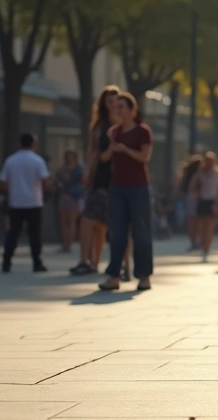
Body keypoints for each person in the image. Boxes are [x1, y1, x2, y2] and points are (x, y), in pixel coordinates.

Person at [99, 92, 154, 292]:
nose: (118, 109)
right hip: (117, 187)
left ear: (132, 109)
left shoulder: (142, 131)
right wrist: (112, 150)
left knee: (141, 232)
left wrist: (126, 150)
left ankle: (144, 276)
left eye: (122, 106)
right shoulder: (113, 132)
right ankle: (114, 275)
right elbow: (104, 158)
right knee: (117, 233)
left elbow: (144, 157)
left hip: (138, 186)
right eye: (117, 107)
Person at [71, 85, 118, 276]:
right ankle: (84, 260)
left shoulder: (123, 124)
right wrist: (87, 172)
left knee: (102, 224)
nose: (113, 105)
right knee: (88, 219)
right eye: (109, 101)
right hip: (100, 177)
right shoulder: (99, 126)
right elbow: (93, 150)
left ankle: (95, 261)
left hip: (118, 178)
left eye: (116, 101)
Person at [0, 134, 52, 272]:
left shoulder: (11, 160)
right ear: (33, 143)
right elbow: (45, 181)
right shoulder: (38, 161)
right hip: (33, 202)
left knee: (13, 233)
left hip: (16, 202)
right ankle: (36, 262)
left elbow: (3, 182)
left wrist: (11, 192)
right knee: (34, 234)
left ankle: (6, 261)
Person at [187, 152, 218, 263]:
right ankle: (202, 247)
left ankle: (207, 249)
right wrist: (195, 195)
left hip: (213, 201)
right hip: (202, 201)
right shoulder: (200, 173)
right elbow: (192, 186)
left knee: (210, 228)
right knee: (201, 226)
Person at [55, 151, 85, 254]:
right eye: (67, 156)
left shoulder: (79, 169)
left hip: (75, 197)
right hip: (64, 196)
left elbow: (83, 182)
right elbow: (57, 181)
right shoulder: (62, 169)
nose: (69, 158)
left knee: (72, 221)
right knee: (63, 222)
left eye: (71, 156)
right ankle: (64, 244)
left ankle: (69, 245)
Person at [174, 154, 202, 252]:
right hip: (193, 198)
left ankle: (194, 241)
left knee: (192, 220)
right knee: (196, 220)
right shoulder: (195, 175)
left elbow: (178, 187)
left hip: (189, 198)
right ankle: (196, 241)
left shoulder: (188, 174)